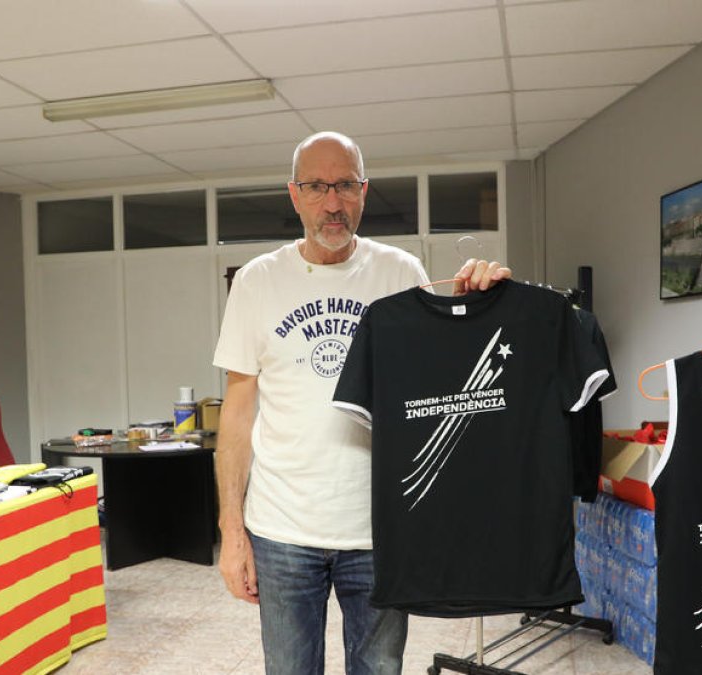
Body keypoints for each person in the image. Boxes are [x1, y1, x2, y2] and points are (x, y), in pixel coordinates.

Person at [212, 131, 510, 674]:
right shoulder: (256, 282)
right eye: (317, 186)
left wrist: (474, 315)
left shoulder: (400, 273)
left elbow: (439, 393)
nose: (332, 202)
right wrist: (232, 533)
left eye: (345, 185)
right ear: (294, 194)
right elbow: (235, 416)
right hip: (281, 530)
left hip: (377, 528)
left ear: (364, 191)